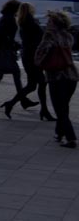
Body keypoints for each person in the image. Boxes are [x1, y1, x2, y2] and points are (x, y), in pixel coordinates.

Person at [35, 10, 79, 148]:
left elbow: (42, 52)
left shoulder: (49, 36)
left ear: (54, 23)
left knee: (60, 109)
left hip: (56, 76)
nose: (47, 24)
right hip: (72, 76)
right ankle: (59, 133)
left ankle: (71, 138)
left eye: (49, 22)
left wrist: (38, 61)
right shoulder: (68, 35)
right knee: (64, 106)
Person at [2, 2, 52, 120]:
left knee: (32, 85)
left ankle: (10, 104)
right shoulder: (31, 22)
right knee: (41, 83)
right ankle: (44, 110)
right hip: (33, 56)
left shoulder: (23, 21)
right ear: (30, 9)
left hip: (27, 56)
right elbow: (37, 39)